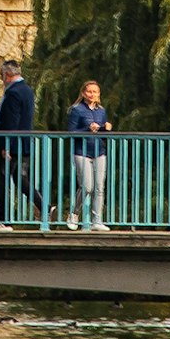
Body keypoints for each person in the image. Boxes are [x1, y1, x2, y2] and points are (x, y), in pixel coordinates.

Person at [0, 65, 39, 223]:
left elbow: (11, 121)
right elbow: (17, 115)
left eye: (2, 75)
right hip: (22, 142)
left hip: (12, 144)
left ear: (7, 74)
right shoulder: (26, 90)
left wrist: (6, 146)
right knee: (19, 178)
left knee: (2, 179)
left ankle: (4, 218)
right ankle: (43, 205)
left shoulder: (12, 92)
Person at [68, 79, 113, 228]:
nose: (92, 94)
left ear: (99, 94)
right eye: (89, 91)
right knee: (87, 186)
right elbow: (72, 132)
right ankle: (74, 214)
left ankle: (97, 220)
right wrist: (88, 129)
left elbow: (101, 133)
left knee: (100, 187)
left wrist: (105, 129)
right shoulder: (77, 109)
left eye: (95, 91)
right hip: (82, 151)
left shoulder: (101, 111)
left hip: (99, 151)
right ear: (83, 93)